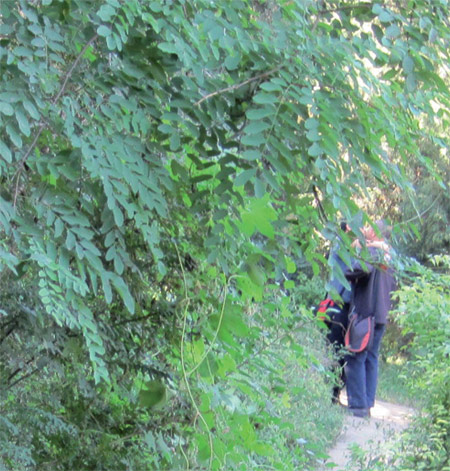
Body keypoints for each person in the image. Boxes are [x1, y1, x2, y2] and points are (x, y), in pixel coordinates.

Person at [344, 220, 396, 418]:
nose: (364, 229)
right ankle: (367, 402)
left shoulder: (373, 254)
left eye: (367, 227)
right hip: (381, 314)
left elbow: (357, 270)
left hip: (367, 313)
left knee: (356, 356)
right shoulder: (390, 257)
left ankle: (358, 406)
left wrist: (351, 260)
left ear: (375, 233)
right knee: (371, 358)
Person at [325, 221, 352, 403]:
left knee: (334, 349)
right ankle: (334, 392)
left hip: (330, 304)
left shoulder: (336, 246)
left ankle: (334, 391)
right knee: (338, 350)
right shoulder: (343, 250)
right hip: (339, 306)